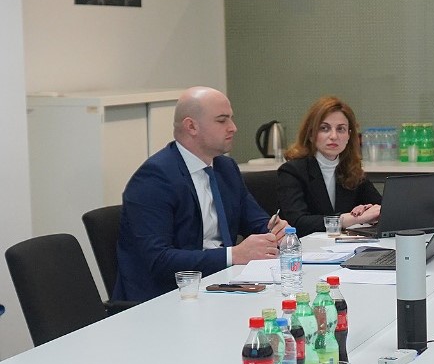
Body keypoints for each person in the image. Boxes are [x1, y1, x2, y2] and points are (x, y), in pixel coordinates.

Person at [113, 86, 288, 302]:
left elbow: (256, 221)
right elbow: (158, 260)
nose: (233, 128)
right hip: (168, 297)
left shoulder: (225, 168)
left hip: (221, 283)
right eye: (222, 120)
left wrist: (276, 231)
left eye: (231, 119)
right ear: (191, 126)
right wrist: (234, 255)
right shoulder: (154, 178)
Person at [277, 96, 382, 237]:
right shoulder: (292, 171)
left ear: (349, 135)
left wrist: (370, 210)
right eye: (324, 128)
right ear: (311, 134)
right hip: (306, 247)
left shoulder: (352, 170)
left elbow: (384, 208)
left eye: (341, 129)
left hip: (342, 246)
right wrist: (350, 219)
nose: (333, 136)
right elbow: (297, 223)